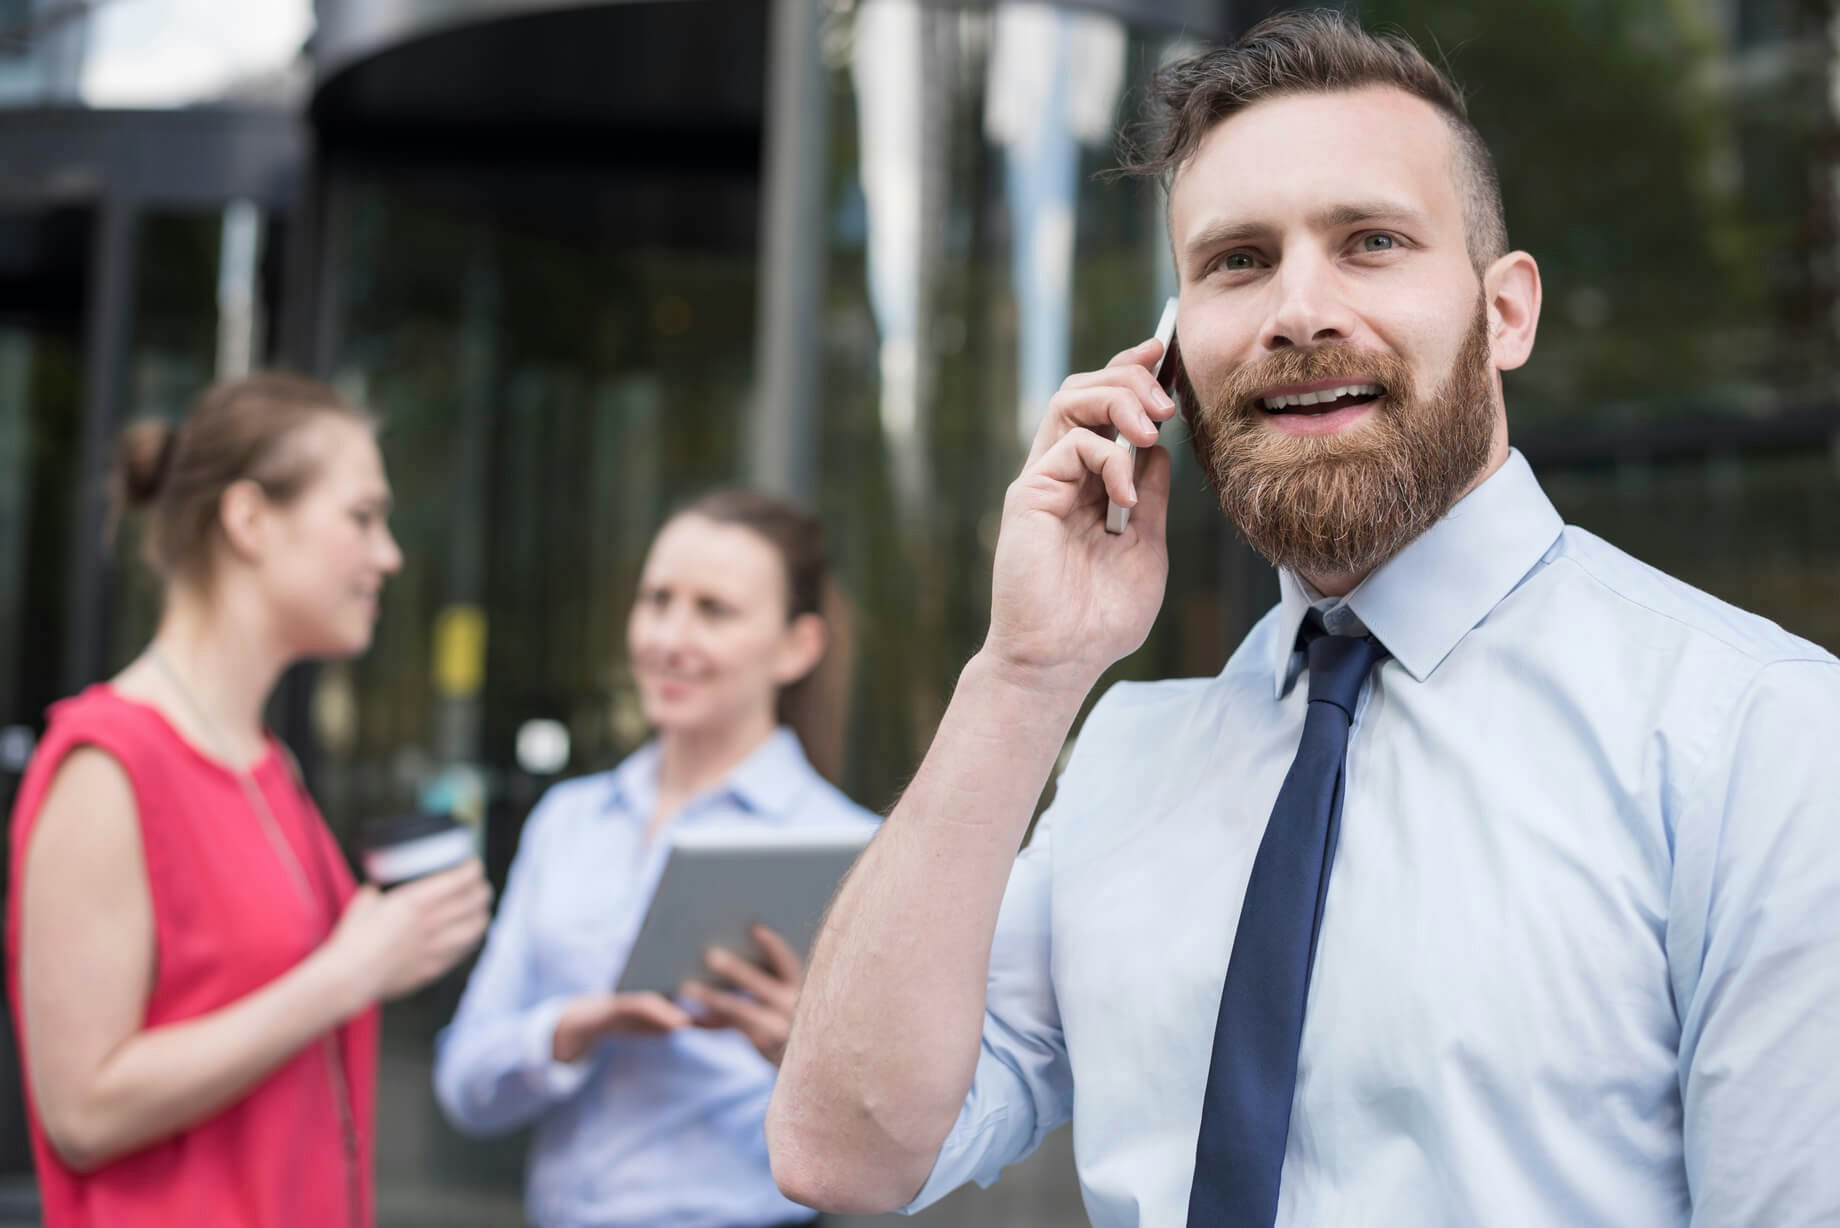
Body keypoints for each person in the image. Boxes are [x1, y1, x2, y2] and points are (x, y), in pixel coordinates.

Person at [767, 11, 1840, 1228]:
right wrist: (1023, 671)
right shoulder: (1126, 760)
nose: (1297, 311)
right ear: (1168, 361)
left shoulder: (1758, 735)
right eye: (1236, 261)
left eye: (1371, 241)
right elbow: (840, 1151)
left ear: (1505, 314)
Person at [4, 372, 493, 1228]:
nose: (389, 555)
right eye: (362, 517)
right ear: (250, 520)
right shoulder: (107, 767)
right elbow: (81, 1112)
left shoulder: (268, 765)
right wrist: (348, 975)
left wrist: (390, 952)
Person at [434, 489, 878, 1228]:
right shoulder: (568, 823)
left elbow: (899, 1143)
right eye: (657, 600)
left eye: (714, 611)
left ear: (798, 646)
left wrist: (800, 1055)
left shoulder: (856, 851)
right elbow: (464, 1086)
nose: (670, 637)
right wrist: (569, 1030)